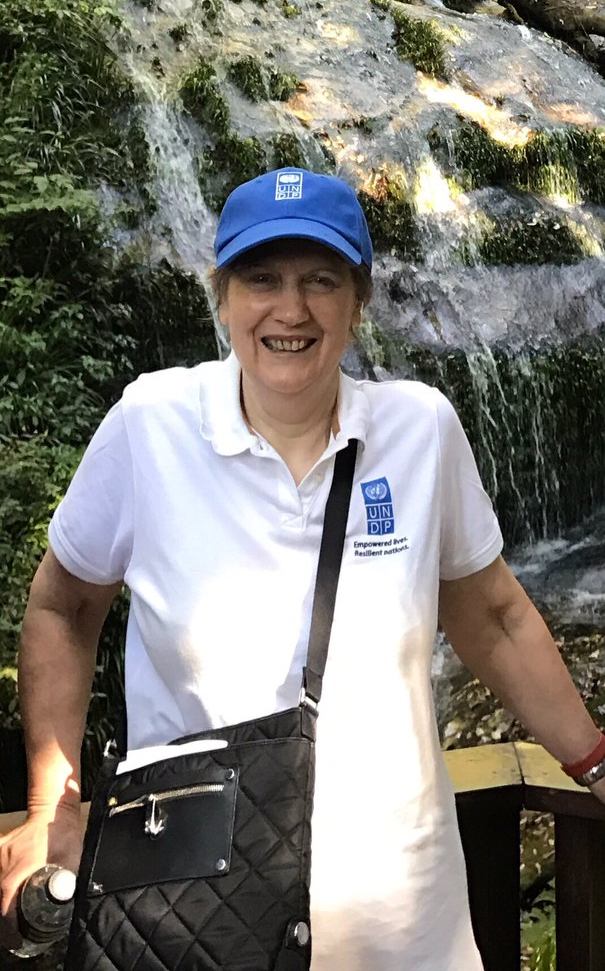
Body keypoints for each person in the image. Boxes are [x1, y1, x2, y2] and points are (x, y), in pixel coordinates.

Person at [1, 166, 604, 971]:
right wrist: (53, 804)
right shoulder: (148, 425)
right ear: (222, 298)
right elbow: (64, 607)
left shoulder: (419, 430)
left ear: (358, 304)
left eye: (320, 280)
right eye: (261, 279)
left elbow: (493, 616)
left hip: (403, 924)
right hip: (194, 916)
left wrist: (593, 762)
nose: (290, 309)